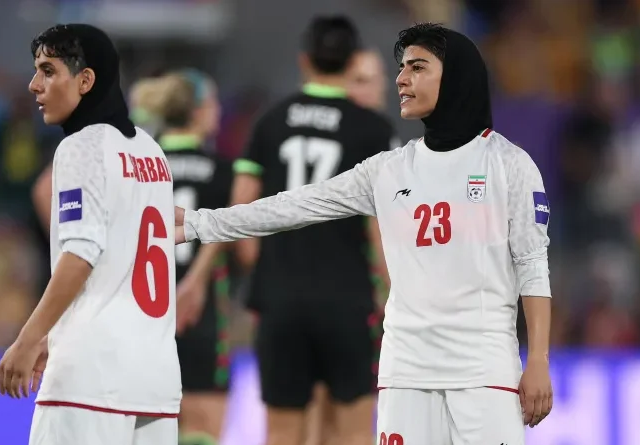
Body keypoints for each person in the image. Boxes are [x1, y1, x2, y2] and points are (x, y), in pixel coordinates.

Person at [175, 23, 554, 445]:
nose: (401, 78)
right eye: (401, 68)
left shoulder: (510, 165)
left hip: (483, 371)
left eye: (417, 67)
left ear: (455, 75)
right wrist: (199, 223)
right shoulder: (388, 169)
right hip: (405, 371)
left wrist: (537, 358)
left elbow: (533, 265)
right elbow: (293, 205)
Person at [181, 15, 395, 445]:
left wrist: (267, 265)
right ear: (352, 62)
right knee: (353, 430)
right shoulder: (373, 128)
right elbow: (381, 226)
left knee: (282, 433)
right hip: (346, 298)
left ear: (304, 61)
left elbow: (240, 210)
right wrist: (391, 293)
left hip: (279, 299)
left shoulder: (270, 121)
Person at [0, 24, 180, 445]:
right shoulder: (151, 151)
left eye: (47, 70)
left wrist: (28, 339)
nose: (33, 85)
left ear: (85, 80)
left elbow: (82, 253)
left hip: (90, 379)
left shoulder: (81, 145)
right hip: (155, 378)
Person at [132, 69, 233, 445]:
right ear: (199, 111)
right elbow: (241, 240)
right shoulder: (225, 171)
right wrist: (200, 278)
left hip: (144, 312)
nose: (219, 111)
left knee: (149, 430)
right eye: (214, 103)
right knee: (205, 429)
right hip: (201, 316)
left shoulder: (139, 166)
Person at [305, 46, 393, 445]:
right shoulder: (370, 138)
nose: (361, 90)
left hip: (337, 292)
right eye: (356, 79)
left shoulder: (377, 140)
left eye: (370, 81)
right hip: (340, 293)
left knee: (330, 414)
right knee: (333, 414)